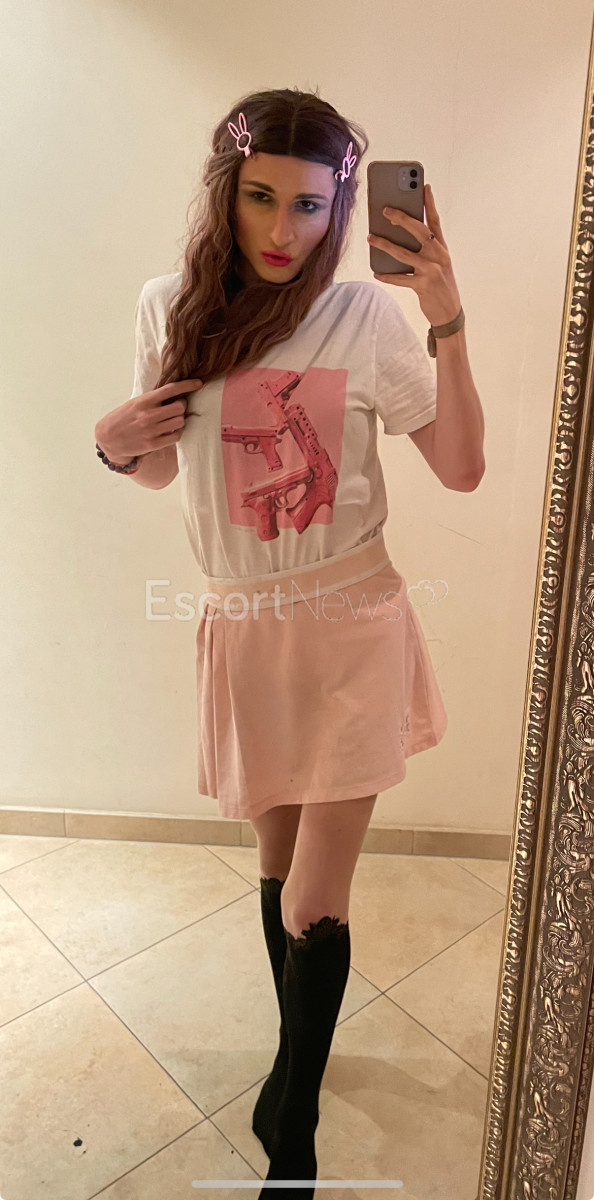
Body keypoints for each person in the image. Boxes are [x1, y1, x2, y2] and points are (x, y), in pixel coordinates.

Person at [94, 87, 461, 1197]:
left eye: (309, 205)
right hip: (245, 627)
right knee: (272, 865)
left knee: (315, 900)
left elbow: (462, 467)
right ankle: (297, 1058)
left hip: (352, 624)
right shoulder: (171, 307)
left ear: (340, 208)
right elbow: (163, 469)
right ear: (227, 192)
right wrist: (113, 443)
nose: (282, 229)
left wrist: (447, 320)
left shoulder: (365, 317)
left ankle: (291, 1131)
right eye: (261, 197)